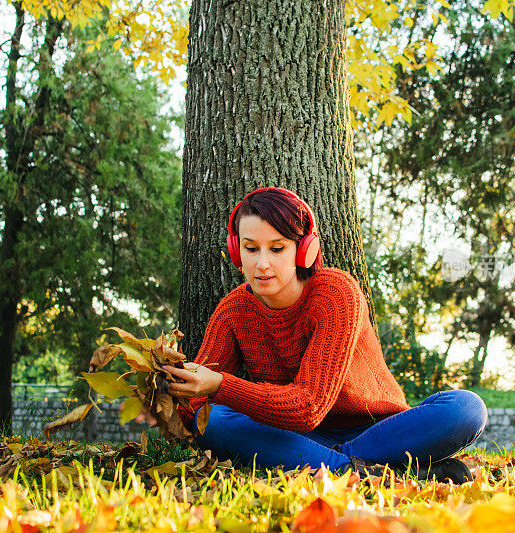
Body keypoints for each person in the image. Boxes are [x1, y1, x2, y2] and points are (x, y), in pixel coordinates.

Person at [135, 187, 487, 482]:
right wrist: (166, 400)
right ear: (235, 250)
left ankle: (334, 465)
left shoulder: (336, 293)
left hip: (378, 428)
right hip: (294, 436)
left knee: (466, 408)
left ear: (304, 250)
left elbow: (308, 406)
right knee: (212, 421)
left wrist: (220, 385)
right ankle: (366, 470)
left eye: (277, 248)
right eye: (251, 248)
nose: (261, 264)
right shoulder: (233, 311)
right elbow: (198, 401)